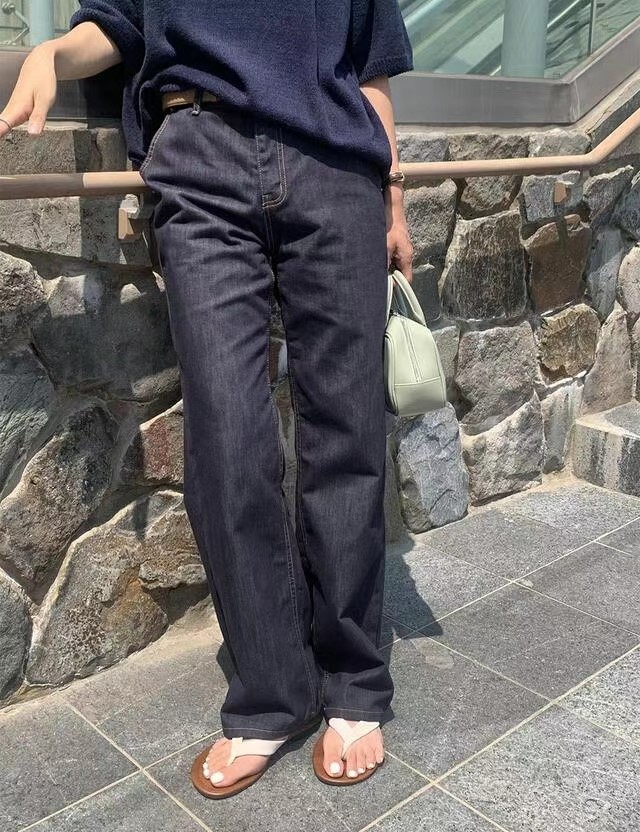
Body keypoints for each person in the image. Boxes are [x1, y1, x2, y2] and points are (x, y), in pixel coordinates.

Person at [1, 0, 414, 797]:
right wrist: (50, 53)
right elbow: (116, 22)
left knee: (349, 429)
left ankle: (355, 683)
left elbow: (372, 70)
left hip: (336, 169)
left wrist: (393, 198)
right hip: (199, 158)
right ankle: (271, 692)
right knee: (226, 438)